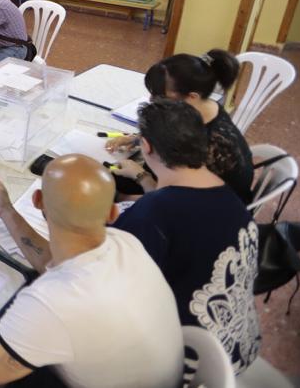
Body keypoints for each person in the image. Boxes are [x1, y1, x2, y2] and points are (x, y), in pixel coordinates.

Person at [0, 155, 183, 388]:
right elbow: (53, 260)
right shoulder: (124, 242)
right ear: (113, 212)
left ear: (38, 201)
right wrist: (5, 210)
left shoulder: (52, 303)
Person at [111, 99, 260, 373]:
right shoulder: (232, 200)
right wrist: (144, 179)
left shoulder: (152, 215)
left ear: (146, 147)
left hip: (188, 366)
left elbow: (98, 278)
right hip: (239, 348)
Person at [106, 49, 253, 203]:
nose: (152, 99)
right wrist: (137, 139)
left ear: (192, 97)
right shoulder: (204, 108)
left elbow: (176, 204)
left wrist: (136, 181)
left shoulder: (211, 147)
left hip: (206, 215)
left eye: (160, 96)